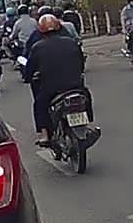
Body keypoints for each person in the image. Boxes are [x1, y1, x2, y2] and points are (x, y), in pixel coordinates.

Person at [24, 14, 87, 147]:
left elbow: (29, 71)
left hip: (51, 89)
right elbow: (81, 63)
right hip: (75, 85)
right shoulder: (71, 42)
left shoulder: (37, 47)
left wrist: (29, 76)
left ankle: (44, 135)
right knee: (86, 96)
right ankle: (87, 123)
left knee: (39, 105)